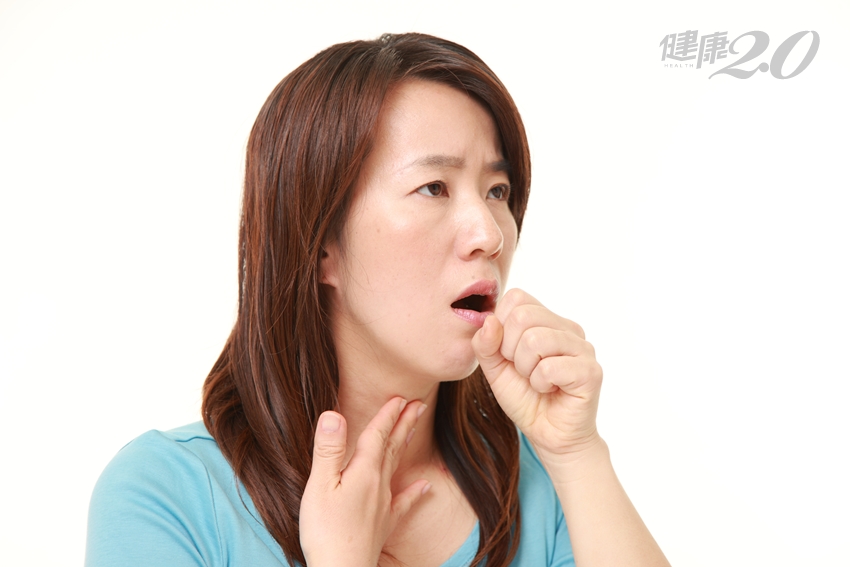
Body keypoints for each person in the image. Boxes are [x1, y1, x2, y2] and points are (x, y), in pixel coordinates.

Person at [85, 33, 670, 567]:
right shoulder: (167, 495)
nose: (490, 234)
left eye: (497, 190)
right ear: (321, 243)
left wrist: (578, 453)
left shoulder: (545, 484)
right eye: (433, 188)